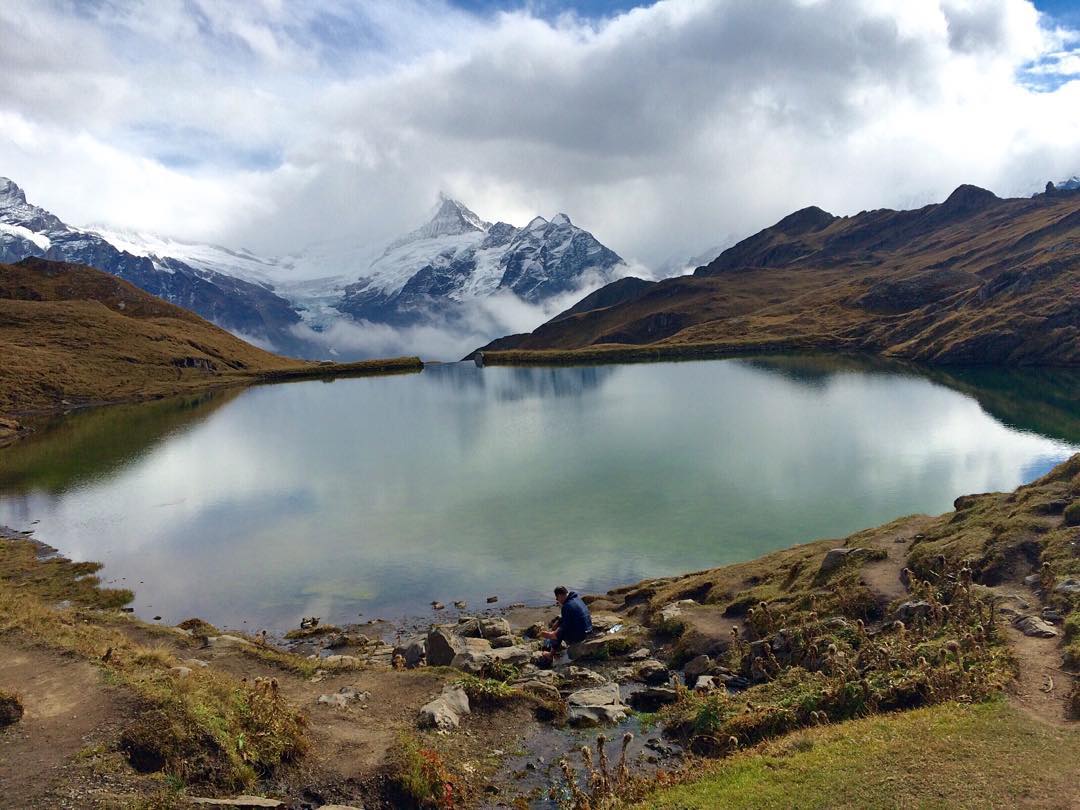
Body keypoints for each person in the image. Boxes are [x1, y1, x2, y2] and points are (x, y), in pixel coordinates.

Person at [540, 586, 593, 661]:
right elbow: (569, 616)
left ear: (560, 596)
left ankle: (550, 654)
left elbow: (565, 626)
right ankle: (554, 638)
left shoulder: (566, 606)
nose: (556, 600)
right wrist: (558, 622)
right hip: (588, 630)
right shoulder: (576, 599)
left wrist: (556, 632)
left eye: (557, 597)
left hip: (581, 636)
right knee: (561, 627)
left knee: (561, 632)